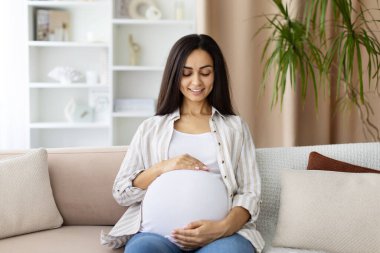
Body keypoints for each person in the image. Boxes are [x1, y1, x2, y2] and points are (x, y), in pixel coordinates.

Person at [101, 34, 264, 253]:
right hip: (156, 236)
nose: (196, 82)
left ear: (216, 75)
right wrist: (163, 167)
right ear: (174, 75)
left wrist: (222, 228)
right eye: (186, 73)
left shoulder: (234, 127)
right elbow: (121, 192)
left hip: (220, 238)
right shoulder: (151, 128)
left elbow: (250, 193)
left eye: (205, 73)